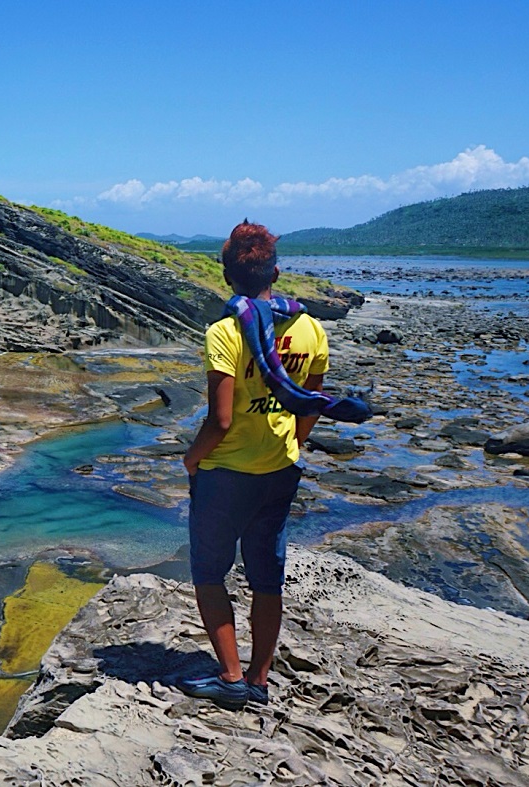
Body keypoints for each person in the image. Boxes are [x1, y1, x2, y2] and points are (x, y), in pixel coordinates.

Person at [177, 220, 330, 710]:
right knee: (266, 578)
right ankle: (260, 681)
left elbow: (220, 421)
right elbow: (310, 406)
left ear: (227, 278)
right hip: (279, 471)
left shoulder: (225, 332)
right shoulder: (311, 329)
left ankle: (230, 676)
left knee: (209, 573)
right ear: (276, 272)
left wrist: (191, 459)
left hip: (227, 474)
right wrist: (290, 445)